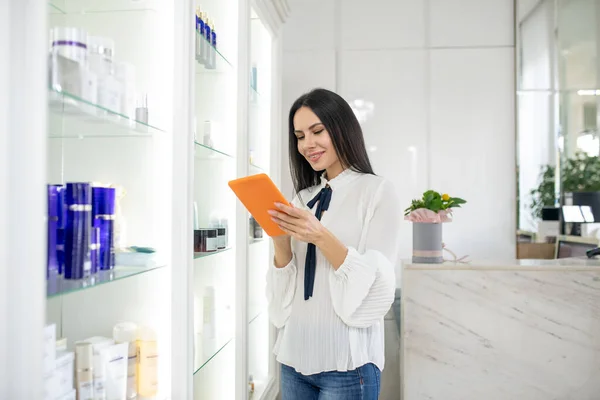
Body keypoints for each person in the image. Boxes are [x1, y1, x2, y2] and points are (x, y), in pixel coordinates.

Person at [266, 88, 402, 399]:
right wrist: (279, 243)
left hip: (347, 365)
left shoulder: (378, 192)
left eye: (317, 131)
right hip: (293, 360)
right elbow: (283, 300)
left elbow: (376, 287)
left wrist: (320, 236)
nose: (307, 144)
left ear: (342, 129)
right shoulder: (301, 198)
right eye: (299, 136)